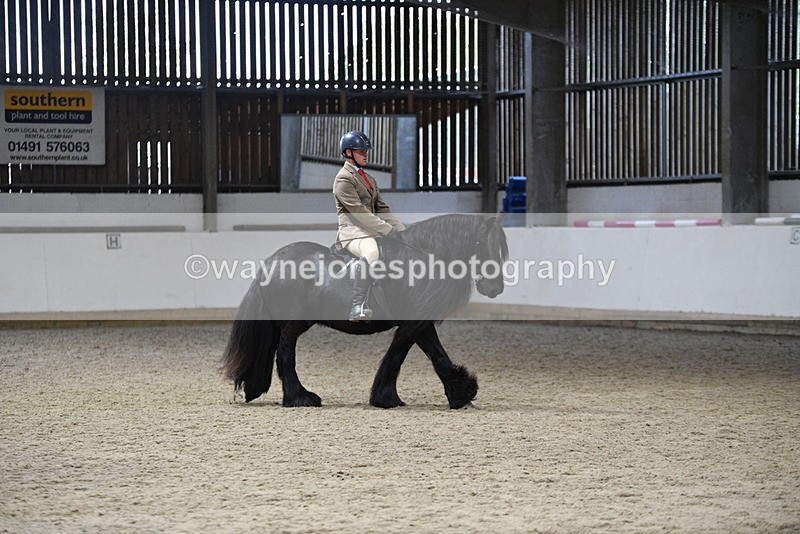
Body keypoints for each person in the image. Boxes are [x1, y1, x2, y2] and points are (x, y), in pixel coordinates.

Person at [333, 130, 406, 321]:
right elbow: (359, 212)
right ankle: (357, 305)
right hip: (353, 233)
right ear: (348, 153)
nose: (365, 154)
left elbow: (382, 208)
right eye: (360, 151)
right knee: (372, 252)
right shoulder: (343, 179)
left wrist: (402, 230)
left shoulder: (369, 179)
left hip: (372, 231)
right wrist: (387, 230)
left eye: (366, 151)